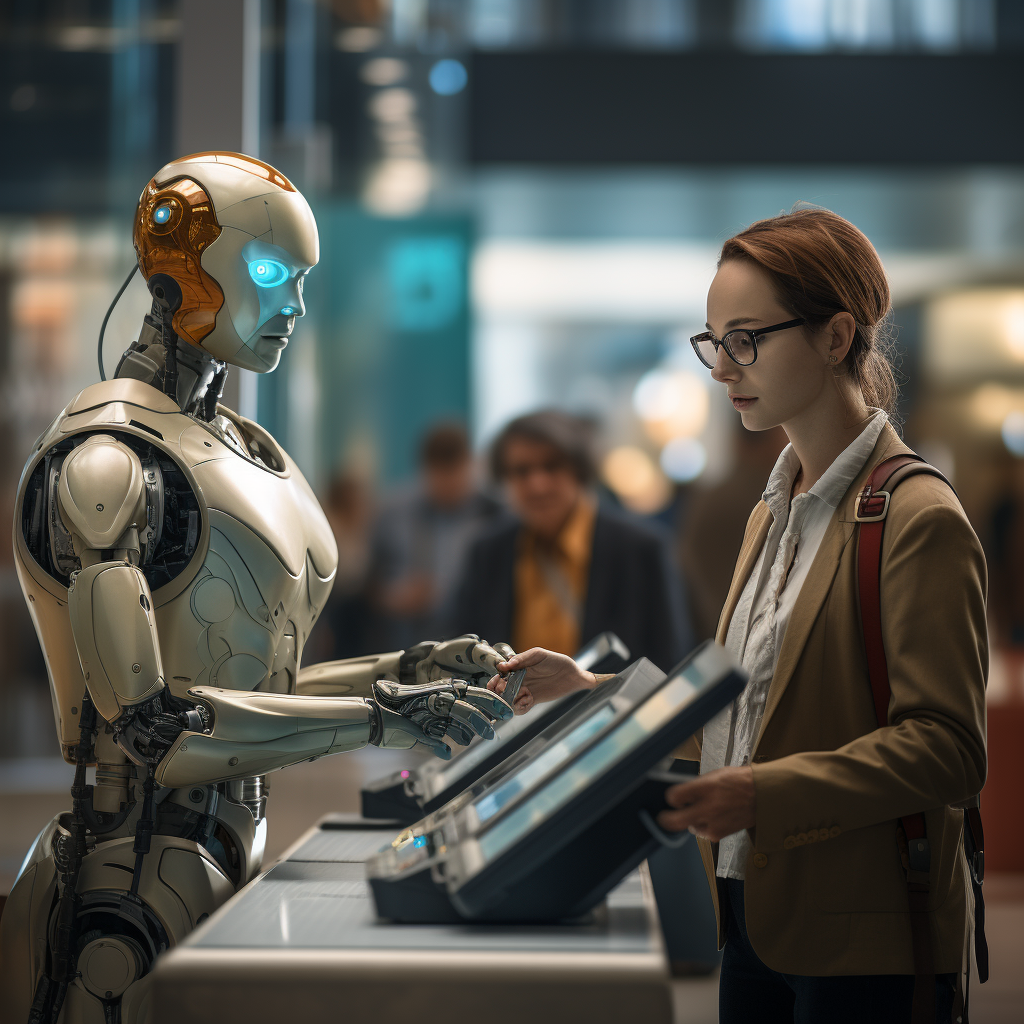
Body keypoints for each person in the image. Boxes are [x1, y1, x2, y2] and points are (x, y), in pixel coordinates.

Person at [490, 209, 987, 1024]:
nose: (723, 369)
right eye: (713, 341)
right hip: (750, 912)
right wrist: (589, 689)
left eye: (746, 339)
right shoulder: (775, 508)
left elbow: (950, 750)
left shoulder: (916, 516)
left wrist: (762, 795)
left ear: (835, 338)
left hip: (867, 936)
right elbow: (734, 704)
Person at [451, 409, 692, 672]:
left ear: (579, 469)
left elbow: (669, 661)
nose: (537, 484)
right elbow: (462, 651)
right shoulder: (488, 551)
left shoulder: (641, 549)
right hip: (511, 712)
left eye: (551, 467)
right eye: (521, 471)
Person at [367, 421, 502, 650]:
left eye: (456, 473)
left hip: (479, 647)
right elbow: (368, 583)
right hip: (404, 647)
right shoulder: (393, 513)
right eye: (439, 475)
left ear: (472, 465)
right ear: (425, 470)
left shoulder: (496, 513)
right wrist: (392, 598)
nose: (448, 485)